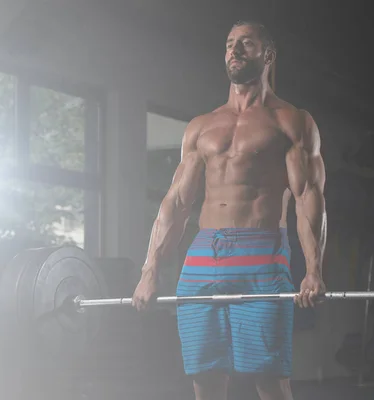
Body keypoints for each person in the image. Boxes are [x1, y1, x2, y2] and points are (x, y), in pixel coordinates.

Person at [132, 20, 327, 400]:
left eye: (246, 44)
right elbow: (175, 203)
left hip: (262, 255)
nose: (234, 50)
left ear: (267, 55)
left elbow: (308, 197)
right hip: (203, 256)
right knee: (204, 377)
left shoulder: (291, 121)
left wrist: (315, 270)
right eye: (229, 44)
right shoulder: (201, 127)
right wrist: (150, 271)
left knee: (268, 379)